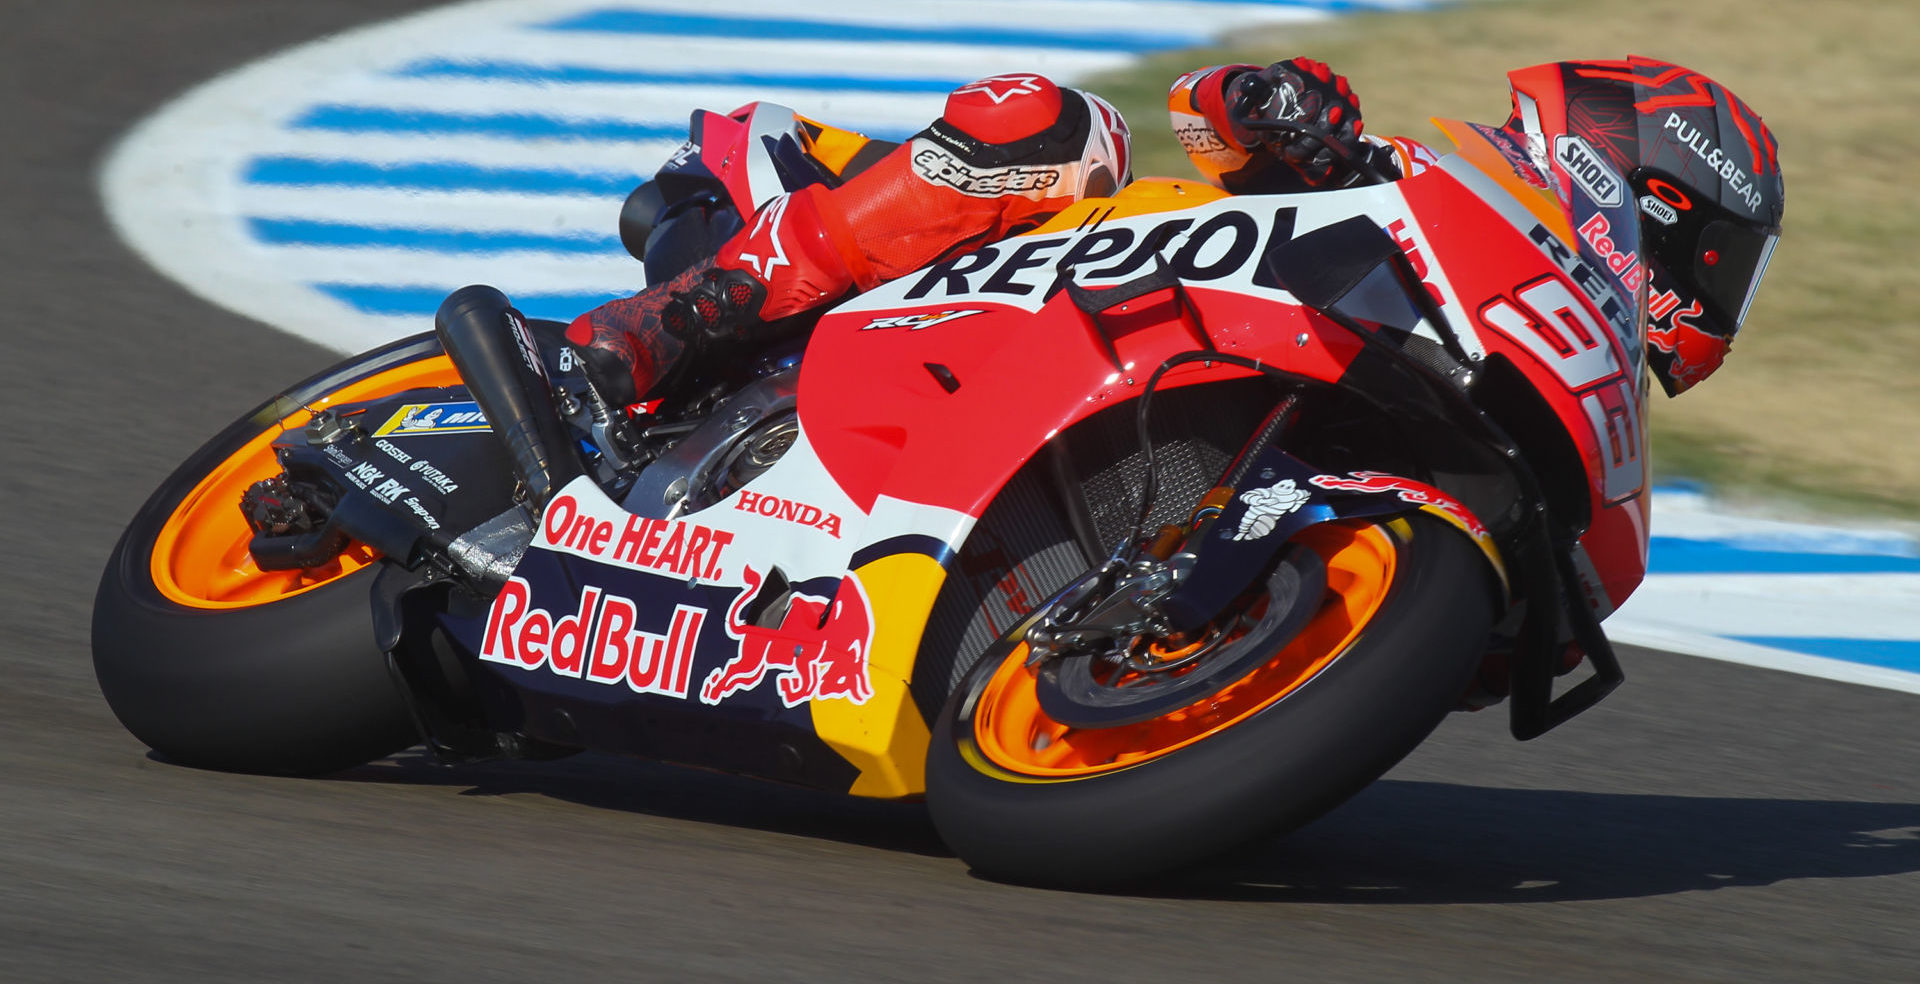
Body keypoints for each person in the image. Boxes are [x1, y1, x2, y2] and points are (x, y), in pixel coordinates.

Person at [567, 55, 1782, 407]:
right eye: (1713, 261)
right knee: (1057, 123)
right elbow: (1208, 117)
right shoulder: (1424, 186)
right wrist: (1285, 113)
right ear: (1638, 192)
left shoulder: (1542, 370)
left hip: (1118, 393)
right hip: (1050, 275)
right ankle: (683, 311)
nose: (1715, 300)